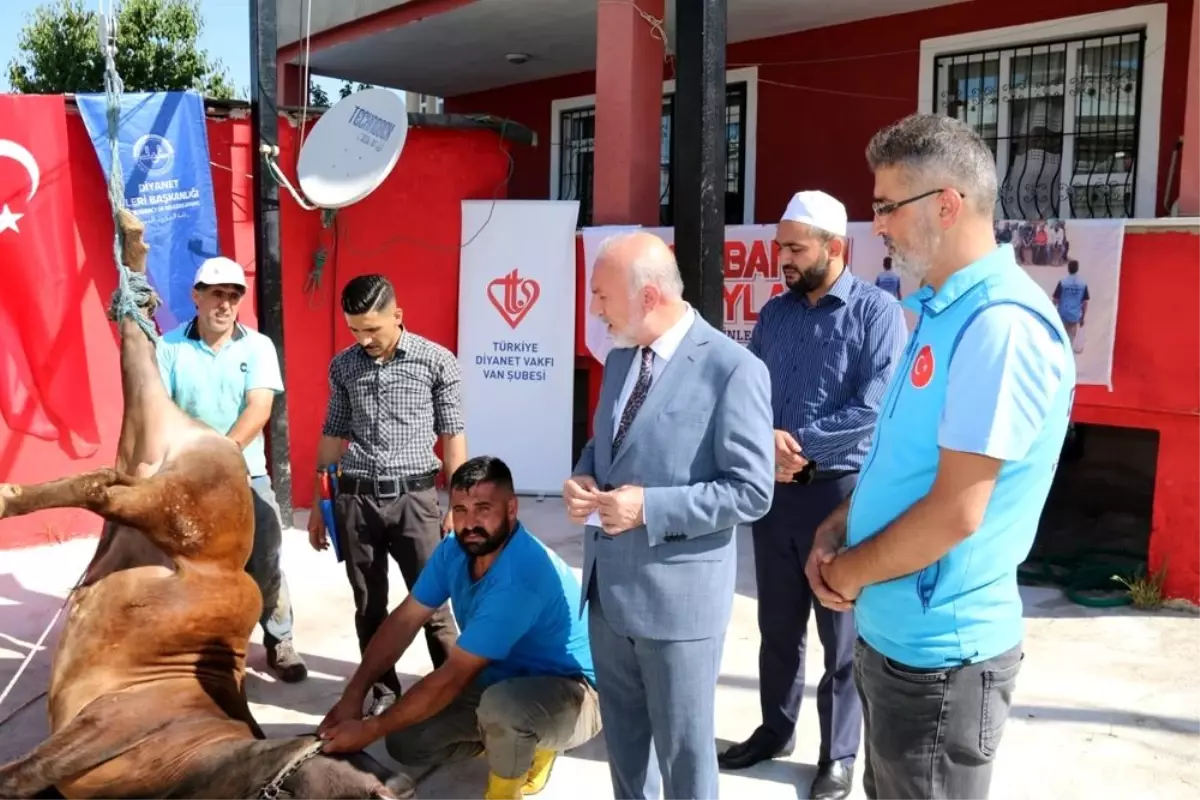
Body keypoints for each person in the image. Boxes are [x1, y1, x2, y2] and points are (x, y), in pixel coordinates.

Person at [806, 113, 1075, 800]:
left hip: (940, 663)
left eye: (887, 207)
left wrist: (848, 573)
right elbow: (906, 465)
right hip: (897, 643)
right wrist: (840, 525)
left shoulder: (998, 325)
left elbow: (956, 510)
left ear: (947, 205)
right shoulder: (941, 310)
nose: (878, 227)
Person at [564, 231, 775, 800]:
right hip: (607, 597)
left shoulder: (732, 369)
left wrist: (649, 508)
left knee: (684, 760)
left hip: (678, 608)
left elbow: (751, 491)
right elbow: (606, 444)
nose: (595, 309)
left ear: (649, 296)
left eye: (602, 295)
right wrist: (585, 476)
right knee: (625, 753)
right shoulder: (618, 359)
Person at [720, 192, 907, 800]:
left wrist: (795, 444)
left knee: (841, 635)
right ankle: (775, 729)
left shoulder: (877, 312)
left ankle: (839, 754)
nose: (784, 259)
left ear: (836, 247)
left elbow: (874, 406)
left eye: (796, 248)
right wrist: (763, 442)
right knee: (777, 624)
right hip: (775, 494)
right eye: (781, 247)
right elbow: (747, 391)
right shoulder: (775, 315)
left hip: (841, 497)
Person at [318, 456, 602, 800]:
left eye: (483, 509)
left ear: (512, 508)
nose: (470, 523)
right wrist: (354, 694)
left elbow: (453, 675)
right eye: (461, 509)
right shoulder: (453, 550)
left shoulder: (521, 577)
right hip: (499, 677)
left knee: (503, 709)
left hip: (574, 691)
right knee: (406, 740)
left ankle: (511, 782)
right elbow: (404, 621)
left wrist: (367, 730)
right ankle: (512, 743)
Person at [309, 274, 464, 716]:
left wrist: (459, 503)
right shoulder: (344, 366)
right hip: (356, 502)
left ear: (397, 315)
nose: (364, 339)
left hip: (415, 501)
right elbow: (332, 434)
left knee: (433, 605)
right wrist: (320, 505)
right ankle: (383, 691)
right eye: (355, 329)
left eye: (372, 329)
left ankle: (456, 694)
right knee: (368, 605)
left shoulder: (437, 362)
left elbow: (453, 435)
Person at [156, 256, 308, 683]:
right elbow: (162, 411)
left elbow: (259, 408)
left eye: (234, 295)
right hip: (186, 477)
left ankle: (280, 640)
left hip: (246, 475)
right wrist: (193, 462)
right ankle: (201, 648)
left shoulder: (258, 347)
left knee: (264, 560)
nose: (225, 304)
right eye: (216, 294)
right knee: (190, 566)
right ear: (196, 296)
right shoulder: (168, 347)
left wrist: (221, 455)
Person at [1053, 259, 1089, 351]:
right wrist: (1082, 317)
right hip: (1074, 316)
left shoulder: (1062, 282)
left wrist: (1053, 313)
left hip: (1062, 315)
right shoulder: (1083, 284)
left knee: (1061, 339)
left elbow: (1055, 300)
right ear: (1077, 269)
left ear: (1068, 269)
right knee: (1070, 340)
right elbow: (1085, 303)